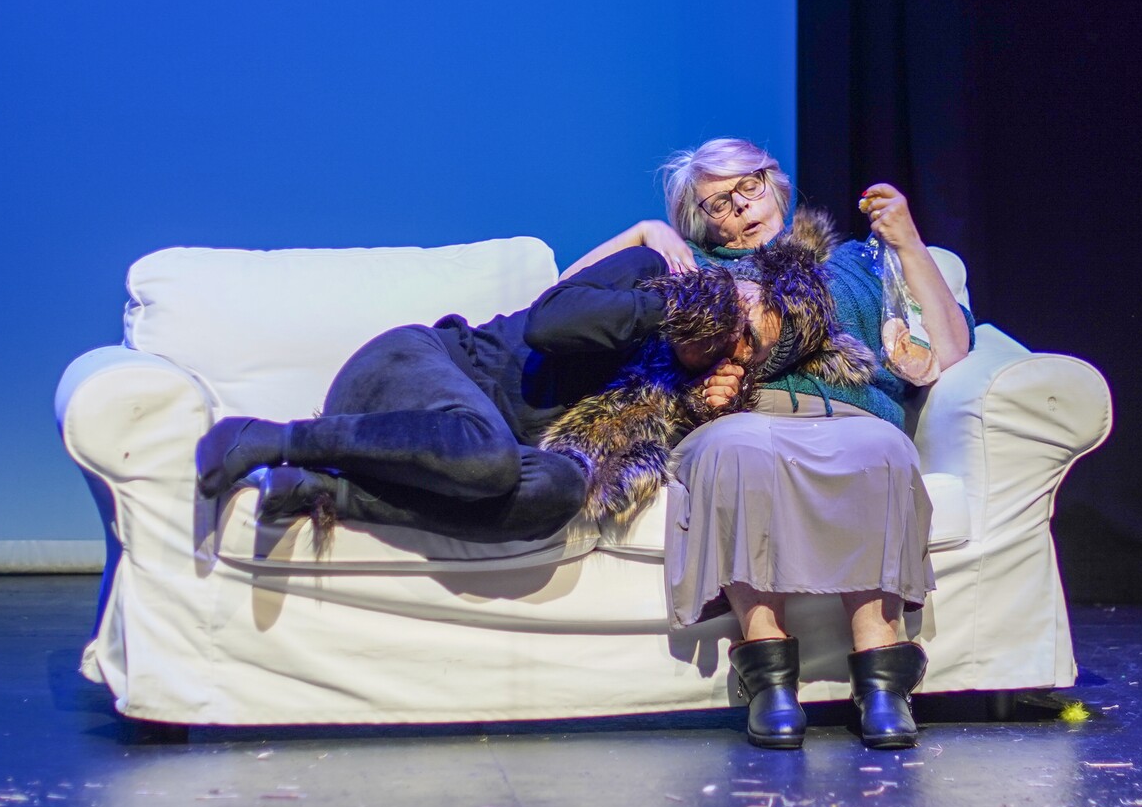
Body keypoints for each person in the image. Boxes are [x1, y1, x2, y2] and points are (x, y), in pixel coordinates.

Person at [658, 138, 973, 750]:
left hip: (852, 413)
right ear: (701, 222)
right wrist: (649, 232)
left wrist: (907, 241)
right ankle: (770, 675)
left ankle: (881, 677)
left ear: (774, 184)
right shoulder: (693, 270)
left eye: (748, 187)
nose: (740, 207)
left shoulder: (856, 261)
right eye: (718, 203)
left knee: (880, 451)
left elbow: (952, 349)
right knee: (738, 451)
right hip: (747, 417)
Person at [192, 221, 755, 544]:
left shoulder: (672, 392)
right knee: (486, 451)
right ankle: (273, 437)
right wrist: (672, 309)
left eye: (742, 340)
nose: (729, 335)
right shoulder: (649, 275)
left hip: (468, 453)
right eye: (730, 314)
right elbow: (548, 322)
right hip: (409, 368)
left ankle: (319, 491)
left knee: (558, 487)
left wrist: (705, 404)